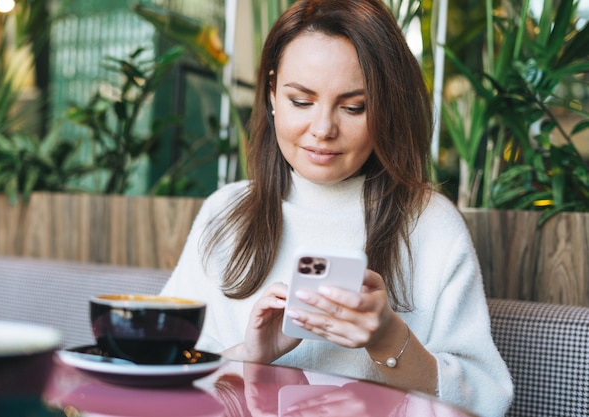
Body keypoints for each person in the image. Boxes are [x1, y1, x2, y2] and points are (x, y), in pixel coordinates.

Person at [161, 0, 513, 416]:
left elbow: (489, 402)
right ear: (273, 93)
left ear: (385, 108)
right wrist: (249, 356)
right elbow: (159, 376)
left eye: (354, 107)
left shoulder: (430, 224)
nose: (323, 129)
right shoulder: (226, 213)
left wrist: (388, 341)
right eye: (301, 101)